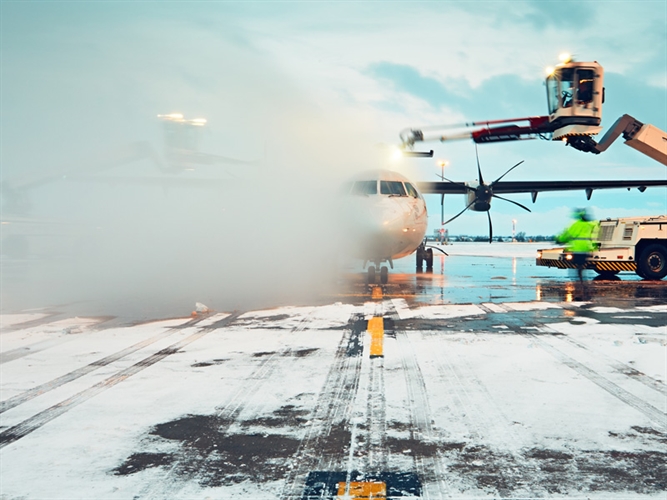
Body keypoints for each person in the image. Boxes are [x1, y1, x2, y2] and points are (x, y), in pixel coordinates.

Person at [555, 208, 600, 282]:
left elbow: (567, 235)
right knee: (581, 266)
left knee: (576, 266)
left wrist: (559, 239)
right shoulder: (589, 224)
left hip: (578, 249)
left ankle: (580, 282)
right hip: (586, 248)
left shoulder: (576, 225)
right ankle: (583, 280)